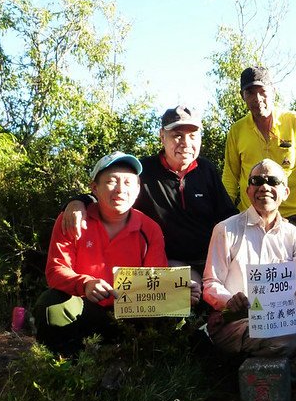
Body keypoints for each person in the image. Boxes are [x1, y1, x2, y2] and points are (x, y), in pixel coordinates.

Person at [34, 151, 199, 354]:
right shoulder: (72, 220)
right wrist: (84, 284)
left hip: (132, 316)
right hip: (86, 309)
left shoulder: (150, 229)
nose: (120, 190)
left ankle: (141, 360)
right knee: (51, 303)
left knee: (177, 315)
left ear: (138, 189)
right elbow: (55, 271)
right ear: (94, 187)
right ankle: (67, 365)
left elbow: (155, 283)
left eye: (129, 183)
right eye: (112, 182)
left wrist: (178, 292)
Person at [62, 105, 237, 286]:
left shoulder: (206, 170)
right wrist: (78, 201)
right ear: (162, 136)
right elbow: (112, 197)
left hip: (209, 261)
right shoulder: (144, 171)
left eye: (193, 136)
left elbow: (227, 214)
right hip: (163, 262)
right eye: (177, 135)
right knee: (186, 291)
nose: (185, 143)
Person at [203, 159, 296, 359]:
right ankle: (251, 365)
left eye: (273, 181)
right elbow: (211, 283)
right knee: (288, 339)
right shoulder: (226, 229)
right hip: (237, 320)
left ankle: (275, 358)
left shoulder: (294, 235)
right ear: (248, 190)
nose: (264, 187)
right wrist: (229, 301)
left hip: (279, 317)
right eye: (257, 181)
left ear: (285, 192)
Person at [223, 66, 296, 255]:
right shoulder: (237, 131)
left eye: (263, 92)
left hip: (293, 216)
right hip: (251, 217)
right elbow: (230, 175)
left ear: (273, 92)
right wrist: (226, 213)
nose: (257, 99)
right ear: (242, 96)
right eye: (250, 93)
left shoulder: (295, 122)